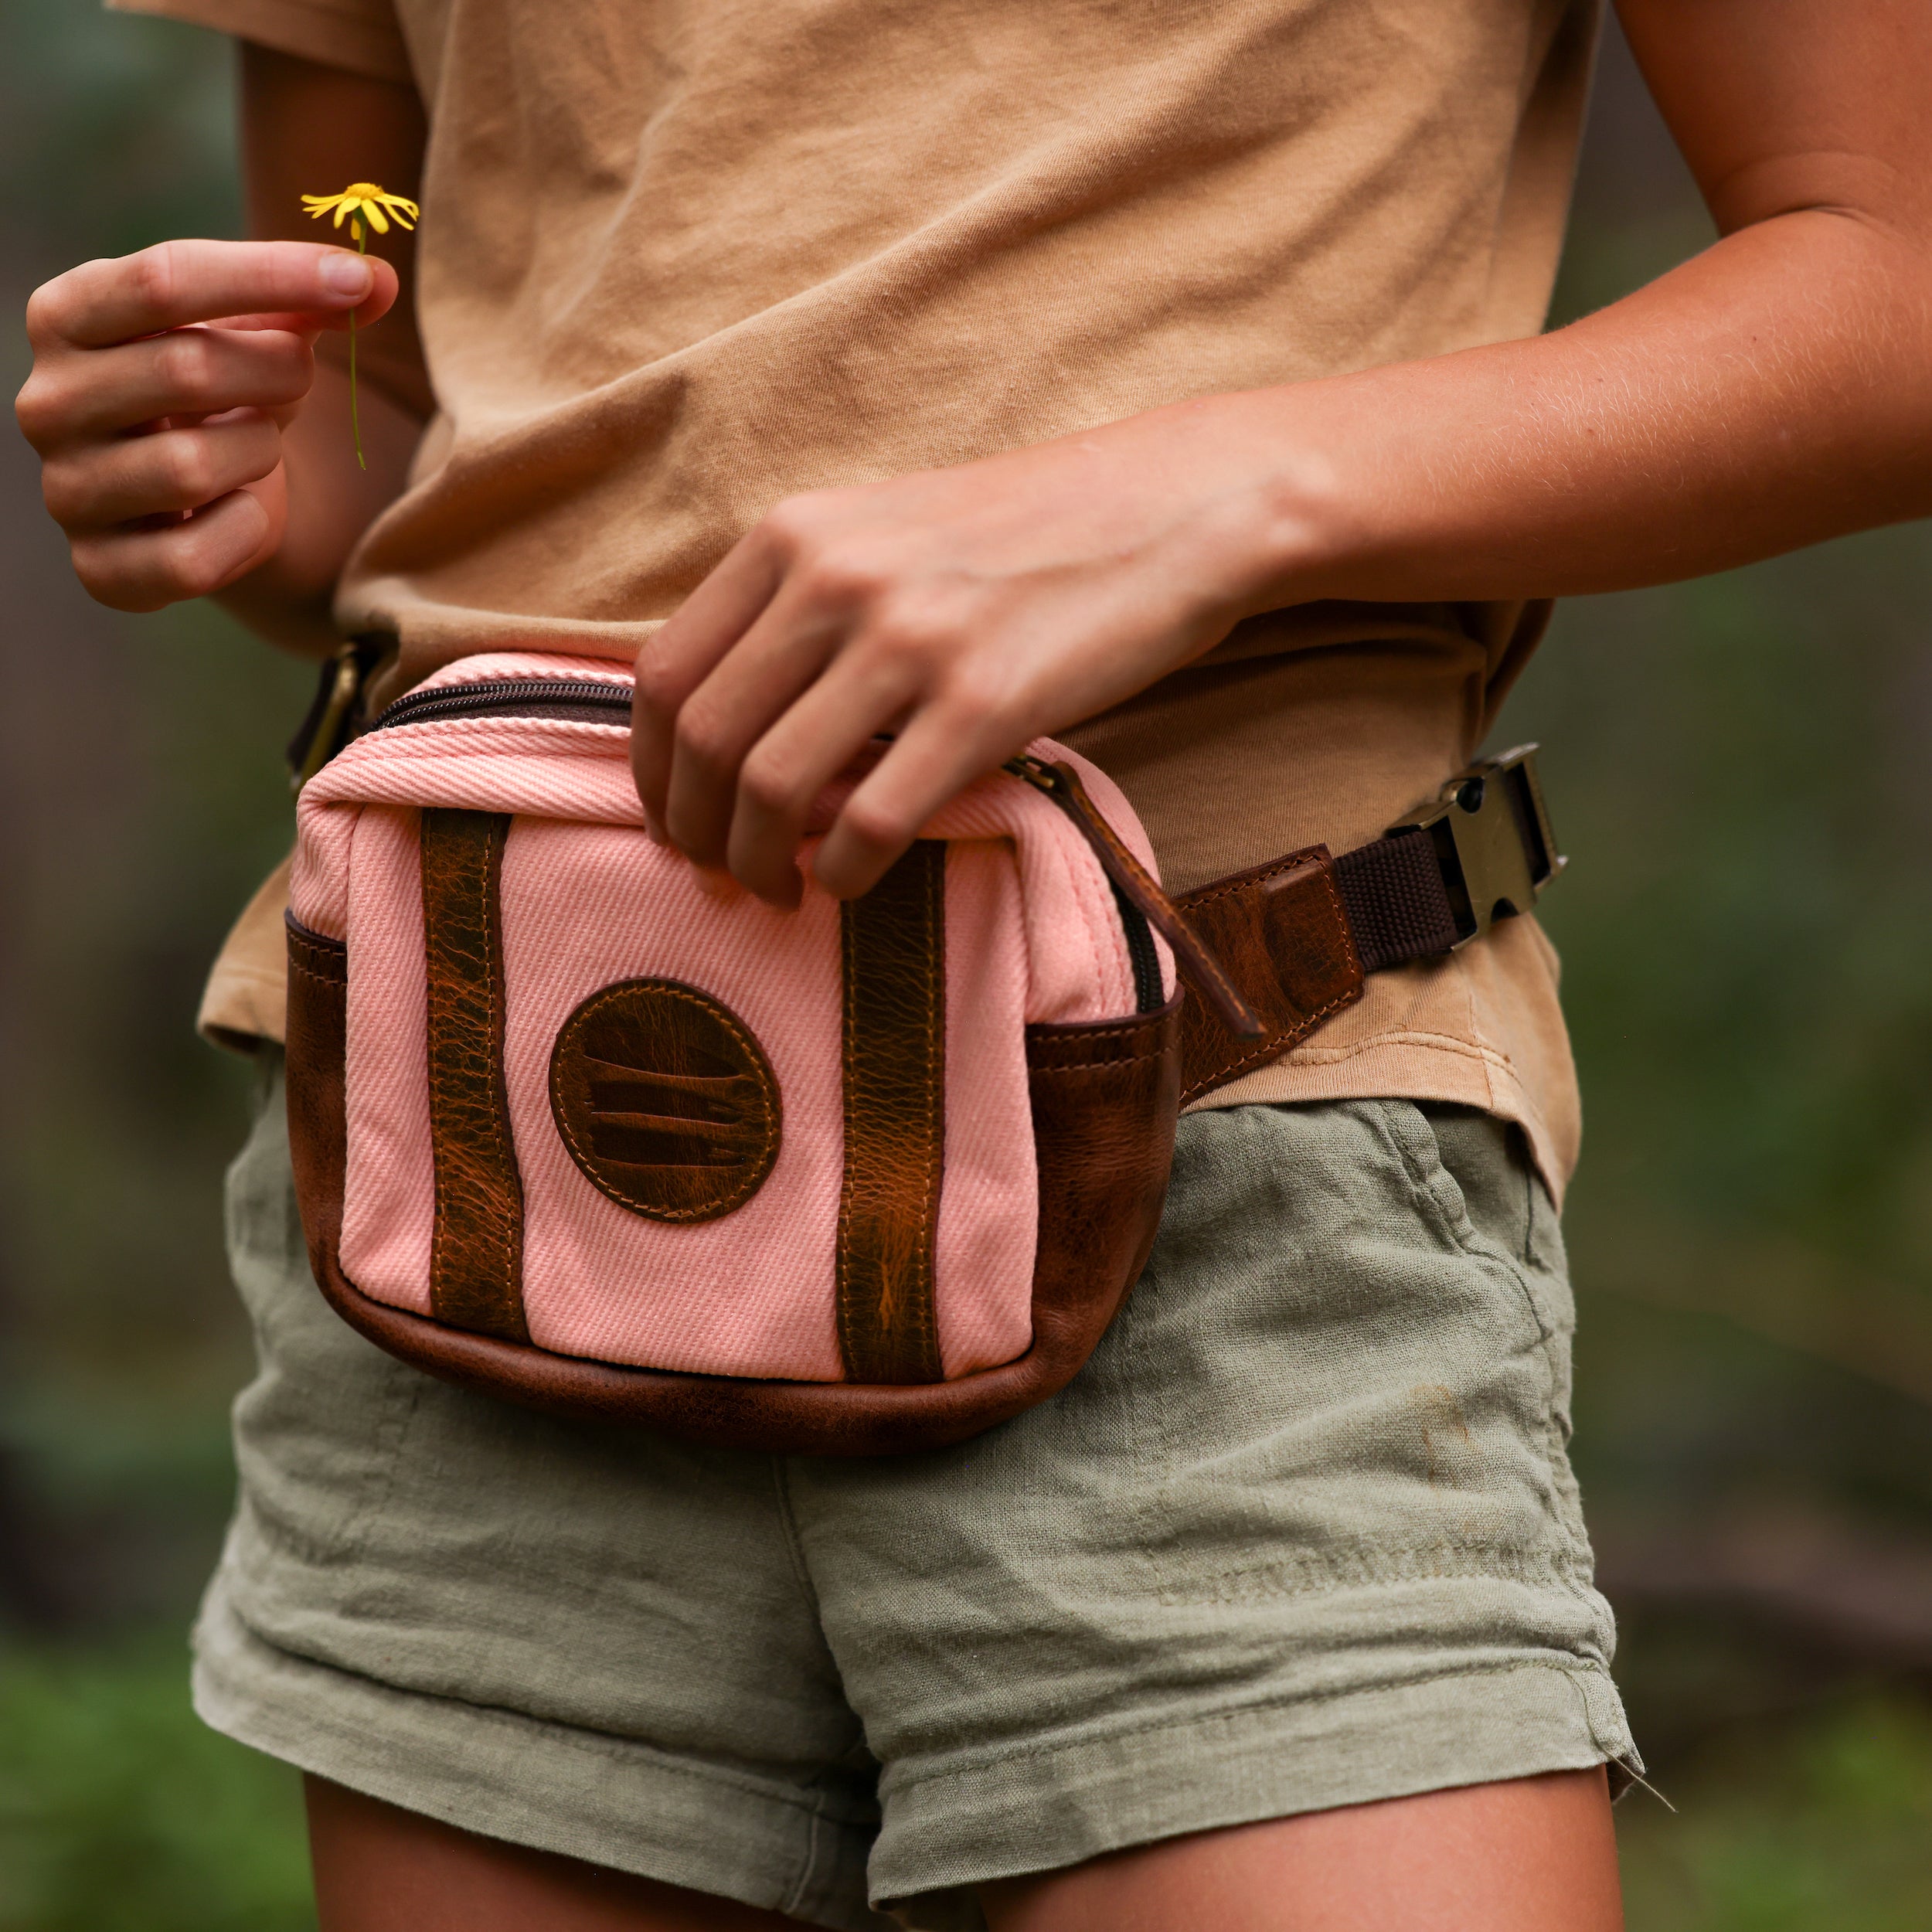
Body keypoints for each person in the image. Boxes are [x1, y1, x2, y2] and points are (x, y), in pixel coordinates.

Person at [15, 1, 1932, 1925]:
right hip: (494, 1152)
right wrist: (254, 482)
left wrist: (1209, 492)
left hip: (1232, 1111)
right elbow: (395, 364)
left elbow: (1890, 284)